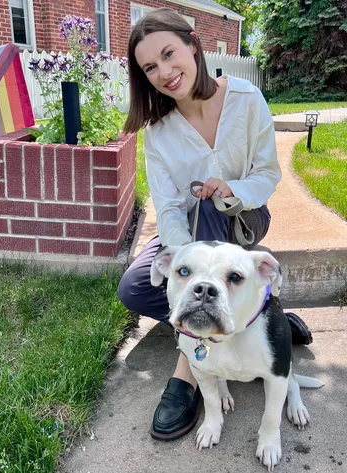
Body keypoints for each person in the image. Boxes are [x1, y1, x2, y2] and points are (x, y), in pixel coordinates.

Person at [118, 7, 312, 442]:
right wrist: (185, 261)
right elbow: (168, 208)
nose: (164, 72)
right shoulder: (159, 130)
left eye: (170, 53)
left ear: (193, 45)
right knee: (132, 288)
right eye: (150, 66)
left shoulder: (246, 98)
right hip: (187, 231)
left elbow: (267, 175)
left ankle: (188, 366)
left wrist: (232, 191)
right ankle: (247, 312)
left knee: (209, 206)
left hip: (242, 217)